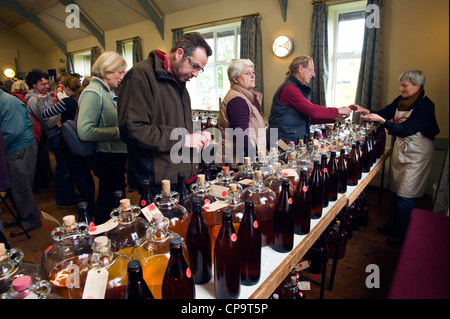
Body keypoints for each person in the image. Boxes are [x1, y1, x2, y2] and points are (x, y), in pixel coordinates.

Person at [351, 69, 439, 245]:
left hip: (417, 153)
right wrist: (366, 110)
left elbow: (406, 129)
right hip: (403, 148)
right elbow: (385, 112)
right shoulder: (402, 101)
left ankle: (403, 234)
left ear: (417, 86)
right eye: (401, 85)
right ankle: (393, 225)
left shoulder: (425, 106)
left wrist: (381, 121)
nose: (401, 89)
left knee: (407, 194)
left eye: (405, 85)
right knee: (395, 189)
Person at [118, 32, 213, 195]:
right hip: (158, 181)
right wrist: (184, 138)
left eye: (200, 70)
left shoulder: (180, 79)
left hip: (182, 176)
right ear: (179, 54)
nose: (196, 73)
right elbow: (132, 130)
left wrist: (196, 135)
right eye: (194, 66)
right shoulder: (140, 76)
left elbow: (173, 124)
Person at [77, 52, 127, 224]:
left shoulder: (104, 91)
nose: (122, 76)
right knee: (109, 206)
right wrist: (118, 131)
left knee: (112, 204)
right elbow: (84, 131)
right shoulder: (93, 93)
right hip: (107, 157)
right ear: (107, 71)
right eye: (119, 72)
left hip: (114, 157)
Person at [38, 76, 96, 218]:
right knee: (86, 172)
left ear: (67, 88)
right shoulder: (81, 100)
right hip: (81, 140)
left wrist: (41, 100)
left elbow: (45, 113)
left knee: (77, 174)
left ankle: (88, 205)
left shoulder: (66, 102)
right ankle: (92, 202)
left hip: (68, 141)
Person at [269, 55, 351, 145]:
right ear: (300, 68)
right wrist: (337, 110)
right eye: (311, 70)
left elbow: (307, 117)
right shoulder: (289, 89)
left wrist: (333, 117)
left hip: (290, 139)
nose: (313, 74)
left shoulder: (298, 88)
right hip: (281, 141)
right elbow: (313, 110)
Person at [26, 69, 77, 208]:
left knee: (67, 167)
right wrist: (63, 111)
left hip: (60, 133)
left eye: (47, 83)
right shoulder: (33, 100)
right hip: (54, 135)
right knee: (62, 168)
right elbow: (47, 122)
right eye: (43, 84)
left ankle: (69, 194)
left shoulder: (45, 96)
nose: (47, 86)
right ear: (33, 85)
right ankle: (63, 198)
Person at [0, 90, 41, 237]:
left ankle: (30, 219)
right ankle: (22, 215)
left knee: (21, 187)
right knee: (15, 187)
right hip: (14, 148)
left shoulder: (8, 102)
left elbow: (12, 132)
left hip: (20, 148)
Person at [216, 59, 266, 168]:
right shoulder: (237, 100)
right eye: (247, 73)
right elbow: (242, 137)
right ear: (235, 79)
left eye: (253, 72)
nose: (252, 76)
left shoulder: (245, 97)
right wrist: (256, 162)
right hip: (236, 164)